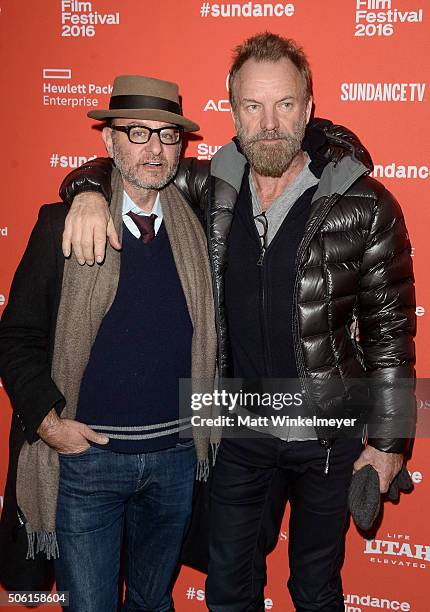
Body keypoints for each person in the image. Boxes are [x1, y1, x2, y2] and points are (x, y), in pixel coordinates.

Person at [56, 33, 415, 612]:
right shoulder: (210, 184)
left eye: (284, 104)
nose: (269, 123)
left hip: (330, 430)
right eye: (253, 106)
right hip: (239, 427)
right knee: (228, 590)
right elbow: (131, 164)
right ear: (232, 110)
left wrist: (390, 443)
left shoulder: (366, 203)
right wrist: (88, 193)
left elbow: (391, 332)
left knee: (314, 589)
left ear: (309, 105)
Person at [0, 75, 218, 611]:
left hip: (174, 460)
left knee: (153, 602)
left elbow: (273, 147)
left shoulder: (203, 225)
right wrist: (48, 425)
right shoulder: (61, 226)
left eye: (168, 136)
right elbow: (17, 338)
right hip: (86, 463)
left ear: (183, 147)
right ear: (108, 141)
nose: (153, 148)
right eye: (137, 132)